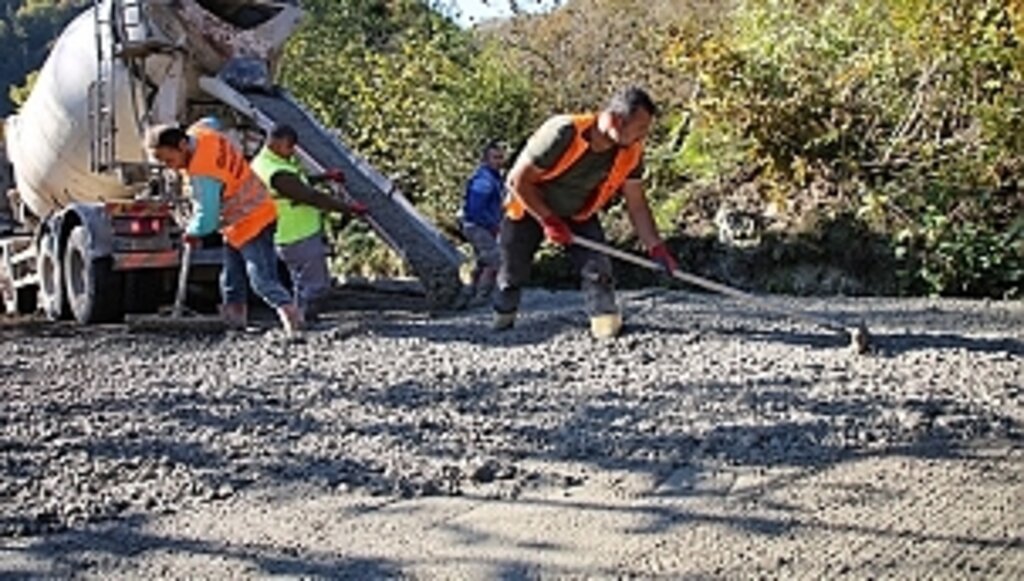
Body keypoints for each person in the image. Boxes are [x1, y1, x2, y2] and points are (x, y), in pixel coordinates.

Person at [496, 86, 679, 339]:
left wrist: (655, 247)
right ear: (616, 120)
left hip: (579, 213)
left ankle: (605, 323)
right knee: (511, 272)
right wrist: (548, 219)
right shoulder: (562, 132)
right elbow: (517, 181)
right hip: (529, 206)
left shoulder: (631, 152)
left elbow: (636, 203)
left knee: (598, 268)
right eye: (639, 129)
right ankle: (502, 319)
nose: (642, 137)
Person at [146, 123, 304, 336]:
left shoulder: (204, 172)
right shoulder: (201, 134)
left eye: (169, 160)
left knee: (262, 279)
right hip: (237, 222)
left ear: (183, 145)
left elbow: (208, 218)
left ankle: (292, 318)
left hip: (253, 219)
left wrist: (191, 231)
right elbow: (211, 121)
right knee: (231, 277)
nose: (171, 167)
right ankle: (234, 321)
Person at [250, 124, 368, 321]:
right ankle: (302, 319)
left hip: (286, 234)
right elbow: (310, 196)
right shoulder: (275, 172)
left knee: (300, 281)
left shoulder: (266, 162)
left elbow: (299, 182)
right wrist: (350, 209)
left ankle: (300, 316)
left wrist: (324, 177)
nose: (293, 151)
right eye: (290, 146)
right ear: (276, 143)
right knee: (316, 285)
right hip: (297, 233)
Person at [459, 141, 505, 303]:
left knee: (483, 261)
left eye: (501, 157)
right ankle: (481, 297)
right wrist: (493, 225)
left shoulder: (494, 177)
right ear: (486, 160)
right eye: (495, 158)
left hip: (478, 225)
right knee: (496, 260)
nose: (499, 161)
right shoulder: (484, 180)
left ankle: (466, 294)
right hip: (477, 226)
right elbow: (476, 209)